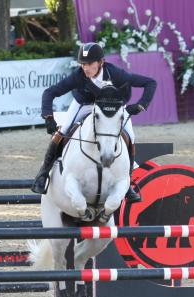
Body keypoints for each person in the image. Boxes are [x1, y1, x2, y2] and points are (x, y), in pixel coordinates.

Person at [30, 42, 157, 202]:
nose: (85, 68)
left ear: (101, 62)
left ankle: (127, 184)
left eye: (89, 64)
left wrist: (141, 105)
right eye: (82, 64)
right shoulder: (78, 76)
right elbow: (50, 92)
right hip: (84, 104)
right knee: (63, 131)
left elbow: (150, 83)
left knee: (130, 137)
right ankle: (43, 174)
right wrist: (48, 117)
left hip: (111, 106)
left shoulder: (115, 73)